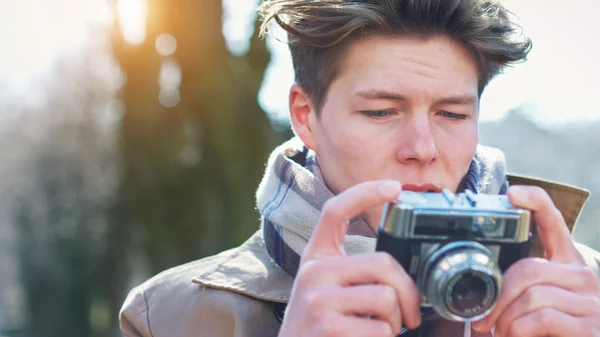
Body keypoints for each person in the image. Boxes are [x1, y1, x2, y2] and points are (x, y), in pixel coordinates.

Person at [119, 1, 600, 336]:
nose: (422, 148)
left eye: (452, 114)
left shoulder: (581, 289)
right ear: (305, 116)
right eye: (380, 112)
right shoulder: (167, 317)